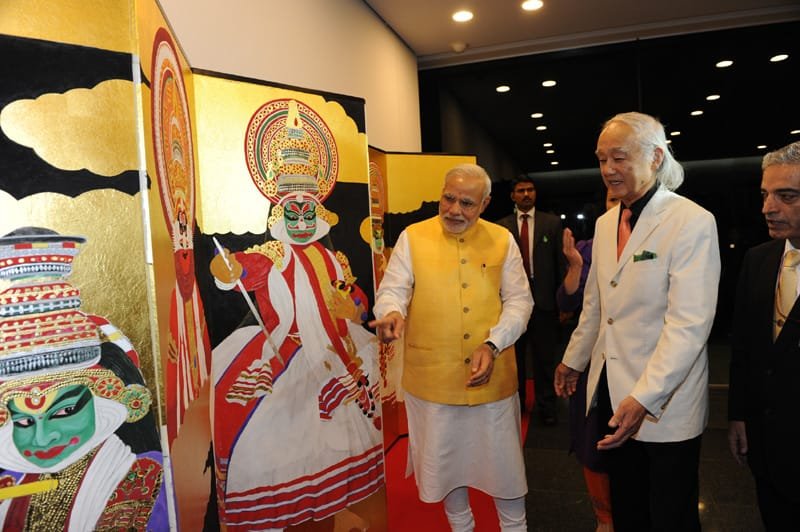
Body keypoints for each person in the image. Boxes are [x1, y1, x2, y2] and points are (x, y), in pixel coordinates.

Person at [554, 112, 721, 531]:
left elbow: (689, 325)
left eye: (620, 158)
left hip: (664, 401)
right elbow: (596, 305)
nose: (609, 169)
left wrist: (645, 396)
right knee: (627, 507)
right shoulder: (606, 221)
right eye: (602, 159)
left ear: (656, 157)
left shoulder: (692, 221)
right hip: (613, 392)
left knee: (670, 514)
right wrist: (572, 359)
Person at [371, 163, 533, 532]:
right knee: (446, 469)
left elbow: (521, 302)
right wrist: (391, 312)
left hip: (492, 379)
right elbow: (393, 289)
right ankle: (462, 528)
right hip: (432, 381)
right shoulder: (414, 236)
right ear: (441, 192)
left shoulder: (502, 240)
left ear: (486, 203)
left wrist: (493, 343)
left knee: (505, 469)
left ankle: (515, 528)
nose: (454, 210)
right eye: (448, 198)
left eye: (467, 203)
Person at [0, 227, 167, 531]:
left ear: (103, 398)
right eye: (24, 421)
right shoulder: (12, 480)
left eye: (63, 411)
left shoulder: (141, 480)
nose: (42, 438)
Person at [728, 140, 800, 529]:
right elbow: (744, 348)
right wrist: (738, 415)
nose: (768, 208)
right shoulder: (759, 259)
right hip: (767, 450)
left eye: (786, 196)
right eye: (765, 194)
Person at [558, 190, 619, 532]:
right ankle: (604, 518)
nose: (620, 205)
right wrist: (577, 267)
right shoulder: (587, 247)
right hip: (591, 357)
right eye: (611, 200)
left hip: (639, 367)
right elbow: (568, 304)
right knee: (591, 442)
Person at [497, 175, 565, 425]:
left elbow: (561, 264)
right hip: (510, 302)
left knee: (545, 358)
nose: (526, 194)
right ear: (513, 196)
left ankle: (547, 407)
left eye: (530, 190)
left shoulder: (552, 223)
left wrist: (563, 302)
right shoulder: (500, 227)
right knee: (514, 358)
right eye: (521, 190)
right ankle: (516, 405)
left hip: (544, 301)